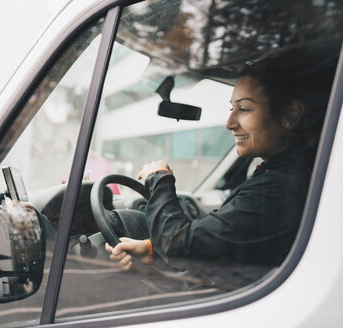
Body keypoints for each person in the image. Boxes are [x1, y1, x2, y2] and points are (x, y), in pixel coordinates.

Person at [105, 56, 335, 274]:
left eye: (244, 109)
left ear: (291, 114)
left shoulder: (277, 188)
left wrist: (158, 179)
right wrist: (152, 248)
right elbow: (224, 243)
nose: (229, 123)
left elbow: (178, 243)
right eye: (231, 108)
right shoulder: (286, 174)